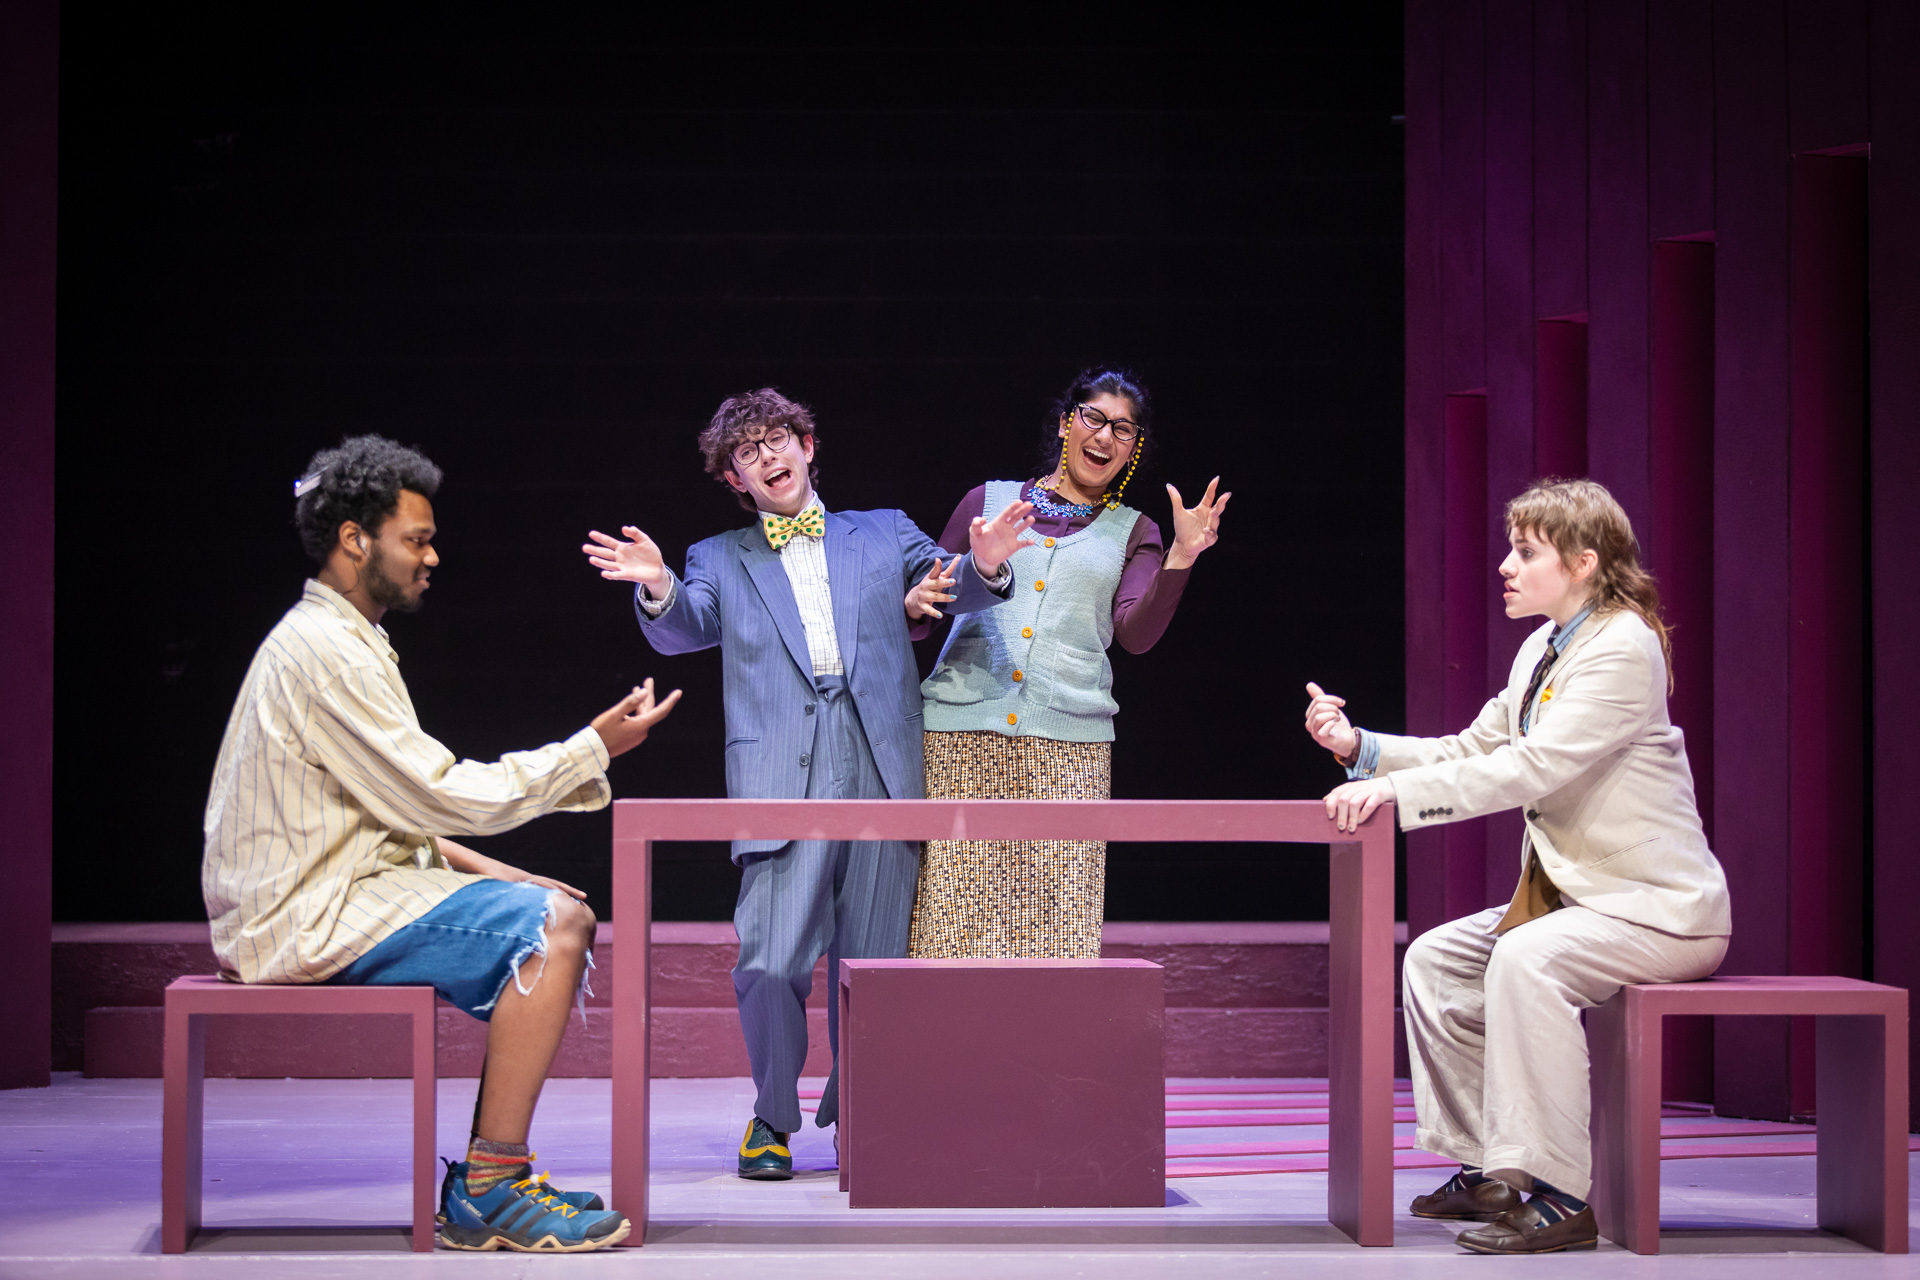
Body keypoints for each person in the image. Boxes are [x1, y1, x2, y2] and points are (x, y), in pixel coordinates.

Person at [203, 435, 681, 1254]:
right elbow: (439, 793)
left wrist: (497, 868)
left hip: (336, 886)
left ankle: (490, 1184)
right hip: (304, 913)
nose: (431, 557)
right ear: (356, 538)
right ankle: (491, 1187)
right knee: (553, 929)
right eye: (414, 539)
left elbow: (390, 810)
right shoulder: (324, 652)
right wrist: (590, 750)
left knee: (551, 905)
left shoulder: (344, 637)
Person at [581, 388, 1031, 1179]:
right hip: (779, 770)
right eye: (747, 454)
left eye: (777, 440)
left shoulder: (883, 530)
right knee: (769, 958)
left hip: (880, 763)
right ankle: (772, 1116)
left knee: (877, 962)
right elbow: (691, 625)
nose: (768, 458)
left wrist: (985, 564)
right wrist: (655, 586)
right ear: (736, 482)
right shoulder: (719, 556)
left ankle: (863, 1109)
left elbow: (945, 581)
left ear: (808, 445)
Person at [1303, 477, 1731, 1256]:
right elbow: (1476, 750)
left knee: (1526, 959)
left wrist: (1395, 797)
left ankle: (1564, 1195)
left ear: (1581, 562)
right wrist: (1360, 750)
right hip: (1582, 903)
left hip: (1655, 910)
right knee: (1435, 959)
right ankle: (1493, 1169)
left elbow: (1528, 769)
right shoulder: (1544, 646)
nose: (1506, 564)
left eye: (1526, 552)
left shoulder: (1623, 647)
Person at [908, 367, 1228, 959]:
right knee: (951, 926)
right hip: (959, 738)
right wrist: (923, 595)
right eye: (1094, 418)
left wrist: (1183, 556)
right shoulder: (989, 501)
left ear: (1134, 449)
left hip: (1069, 749)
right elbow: (922, 614)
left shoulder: (1135, 531)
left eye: (1124, 430)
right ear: (1066, 422)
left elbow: (1135, 634)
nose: (1105, 437)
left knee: (1058, 928)